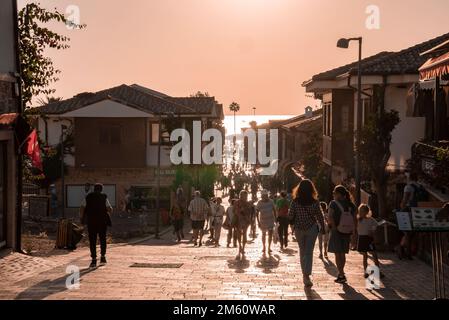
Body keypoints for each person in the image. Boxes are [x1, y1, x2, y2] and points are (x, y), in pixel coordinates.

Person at [288, 180, 326, 288]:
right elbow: (320, 216)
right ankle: (306, 275)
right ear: (311, 189)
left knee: (302, 251)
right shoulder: (315, 202)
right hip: (311, 228)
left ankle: (304, 274)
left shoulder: (295, 201)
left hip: (299, 228)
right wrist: (323, 228)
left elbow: (290, 216)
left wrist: (293, 222)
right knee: (309, 252)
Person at [327, 185, 357, 284]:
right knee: (343, 253)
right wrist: (353, 233)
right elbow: (354, 220)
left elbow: (330, 217)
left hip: (337, 231)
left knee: (337, 253)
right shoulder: (351, 205)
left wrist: (334, 227)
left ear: (339, 194)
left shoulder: (333, 204)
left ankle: (341, 274)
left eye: (334, 193)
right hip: (347, 232)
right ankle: (341, 273)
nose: (333, 195)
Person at [80, 183, 113, 268]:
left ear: (94, 189)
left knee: (92, 240)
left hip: (91, 222)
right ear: (101, 189)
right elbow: (109, 209)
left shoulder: (88, 197)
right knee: (102, 239)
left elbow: (82, 207)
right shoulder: (104, 197)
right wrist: (107, 212)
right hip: (102, 222)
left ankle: (94, 260)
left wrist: (82, 217)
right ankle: (103, 257)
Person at [356, 204, 384, 279]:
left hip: (369, 238)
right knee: (365, 256)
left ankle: (378, 271)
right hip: (362, 238)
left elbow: (376, 225)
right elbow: (356, 229)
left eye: (362, 211)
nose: (361, 213)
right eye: (360, 211)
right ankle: (365, 272)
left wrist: (372, 230)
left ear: (366, 212)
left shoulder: (370, 219)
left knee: (374, 255)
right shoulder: (358, 219)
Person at [256, 190, 277, 256]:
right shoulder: (259, 203)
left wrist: (276, 219)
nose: (265, 197)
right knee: (263, 234)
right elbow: (257, 212)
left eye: (266, 196)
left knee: (270, 234)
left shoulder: (271, 201)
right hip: (263, 221)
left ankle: (269, 247)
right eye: (263, 196)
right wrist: (258, 222)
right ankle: (264, 246)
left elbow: (274, 210)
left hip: (270, 220)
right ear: (262, 196)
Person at [233, 190, 252, 260]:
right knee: (238, 233)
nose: (244, 197)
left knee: (244, 234)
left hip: (245, 220)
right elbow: (234, 211)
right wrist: (240, 212)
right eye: (243, 195)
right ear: (240, 195)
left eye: (245, 195)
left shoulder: (247, 203)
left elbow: (249, 212)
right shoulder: (236, 202)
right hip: (238, 220)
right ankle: (240, 246)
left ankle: (243, 247)